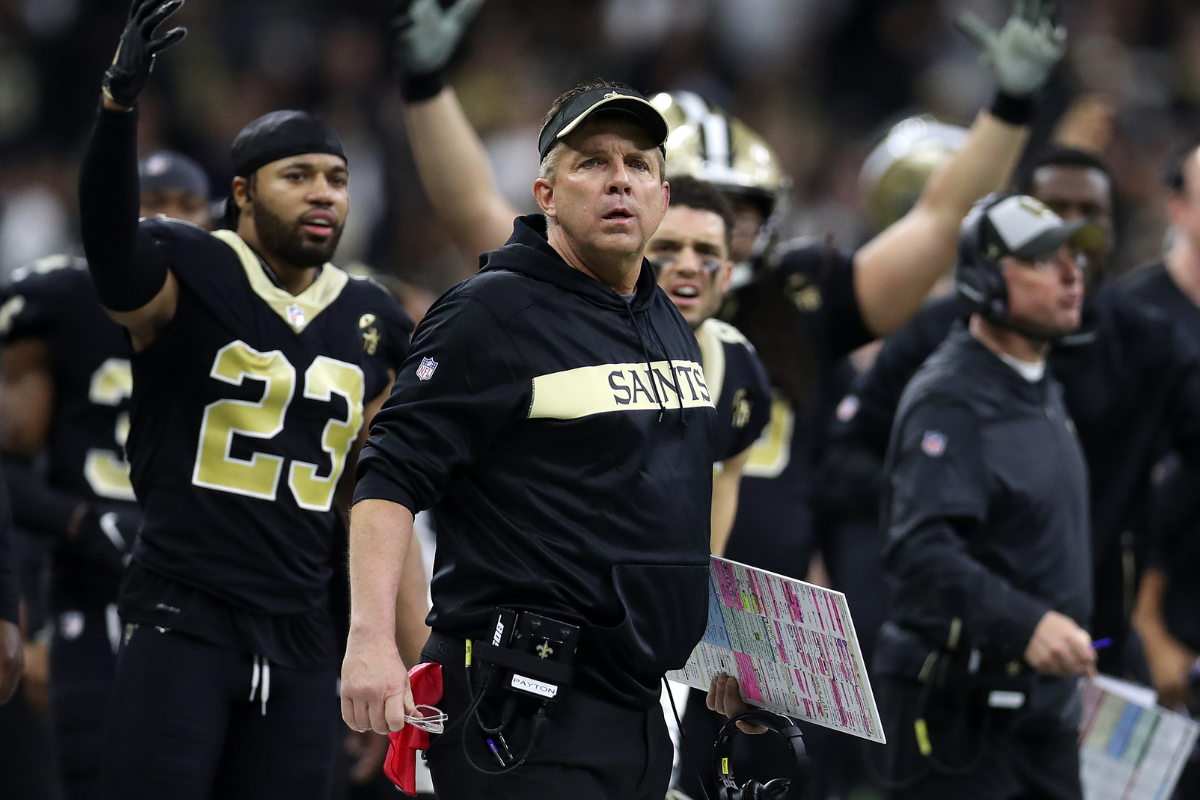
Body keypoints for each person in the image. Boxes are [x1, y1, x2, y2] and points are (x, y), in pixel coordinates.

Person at [77, 2, 422, 796]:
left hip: (301, 636)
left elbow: (380, 495)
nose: (324, 195)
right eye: (297, 176)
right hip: (182, 616)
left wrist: (405, 647)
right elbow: (109, 254)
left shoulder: (373, 315)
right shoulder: (187, 265)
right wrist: (116, 112)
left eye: (335, 178)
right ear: (242, 193)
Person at [341, 81, 717, 800]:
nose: (619, 180)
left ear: (662, 197)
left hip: (637, 709)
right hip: (521, 709)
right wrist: (370, 642)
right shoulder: (491, 314)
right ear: (545, 193)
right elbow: (387, 477)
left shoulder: (661, 315)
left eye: (638, 163)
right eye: (592, 162)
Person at [823, 146, 1200, 684]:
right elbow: (850, 469)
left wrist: (1155, 586)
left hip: (1095, 644)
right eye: (1047, 230)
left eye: (1086, 221)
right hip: (972, 659)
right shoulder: (945, 355)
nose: (1070, 244)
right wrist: (936, 484)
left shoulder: (1137, 344)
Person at [876, 193, 1101, 800]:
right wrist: (1026, 623)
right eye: (1043, 260)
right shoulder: (953, 399)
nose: (1071, 273)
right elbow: (919, 550)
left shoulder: (1037, 383)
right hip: (961, 717)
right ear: (984, 279)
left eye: (1073, 257)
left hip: (1039, 712)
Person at [0, 149, 209, 800]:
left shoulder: (250, 311)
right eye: (152, 203)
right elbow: (7, 463)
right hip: (87, 593)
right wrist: (80, 523)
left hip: (207, 599)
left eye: (185, 206)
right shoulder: (62, 298)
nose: (167, 221)